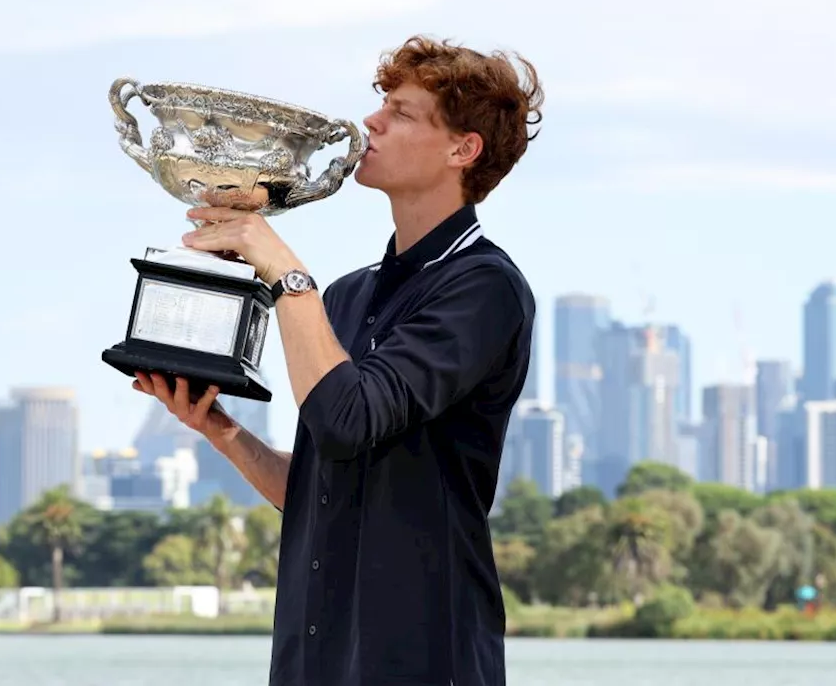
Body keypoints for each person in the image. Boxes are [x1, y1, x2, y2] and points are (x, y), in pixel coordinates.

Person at [133, 34, 543, 686]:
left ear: (462, 150)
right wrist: (223, 432)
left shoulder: (483, 289)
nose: (371, 122)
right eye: (380, 105)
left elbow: (348, 417)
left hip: (424, 663)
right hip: (313, 661)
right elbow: (322, 485)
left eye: (402, 113)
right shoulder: (348, 296)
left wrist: (284, 270)